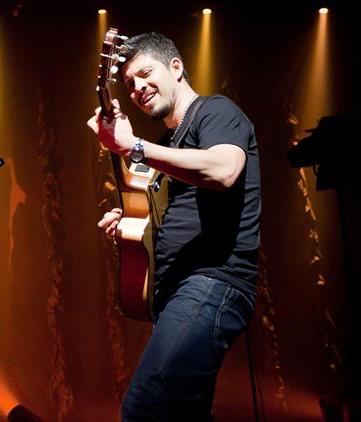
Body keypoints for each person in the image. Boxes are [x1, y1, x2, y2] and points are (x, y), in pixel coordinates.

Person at [87, 33, 261, 420]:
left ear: (176, 68)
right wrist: (136, 220)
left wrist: (134, 146)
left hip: (212, 280)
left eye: (145, 74)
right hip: (177, 291)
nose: (137, 88)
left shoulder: (216, 111)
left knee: (146, 408)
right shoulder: (169, 143)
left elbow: (224, 170)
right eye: (129, 83)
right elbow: (177, 211)